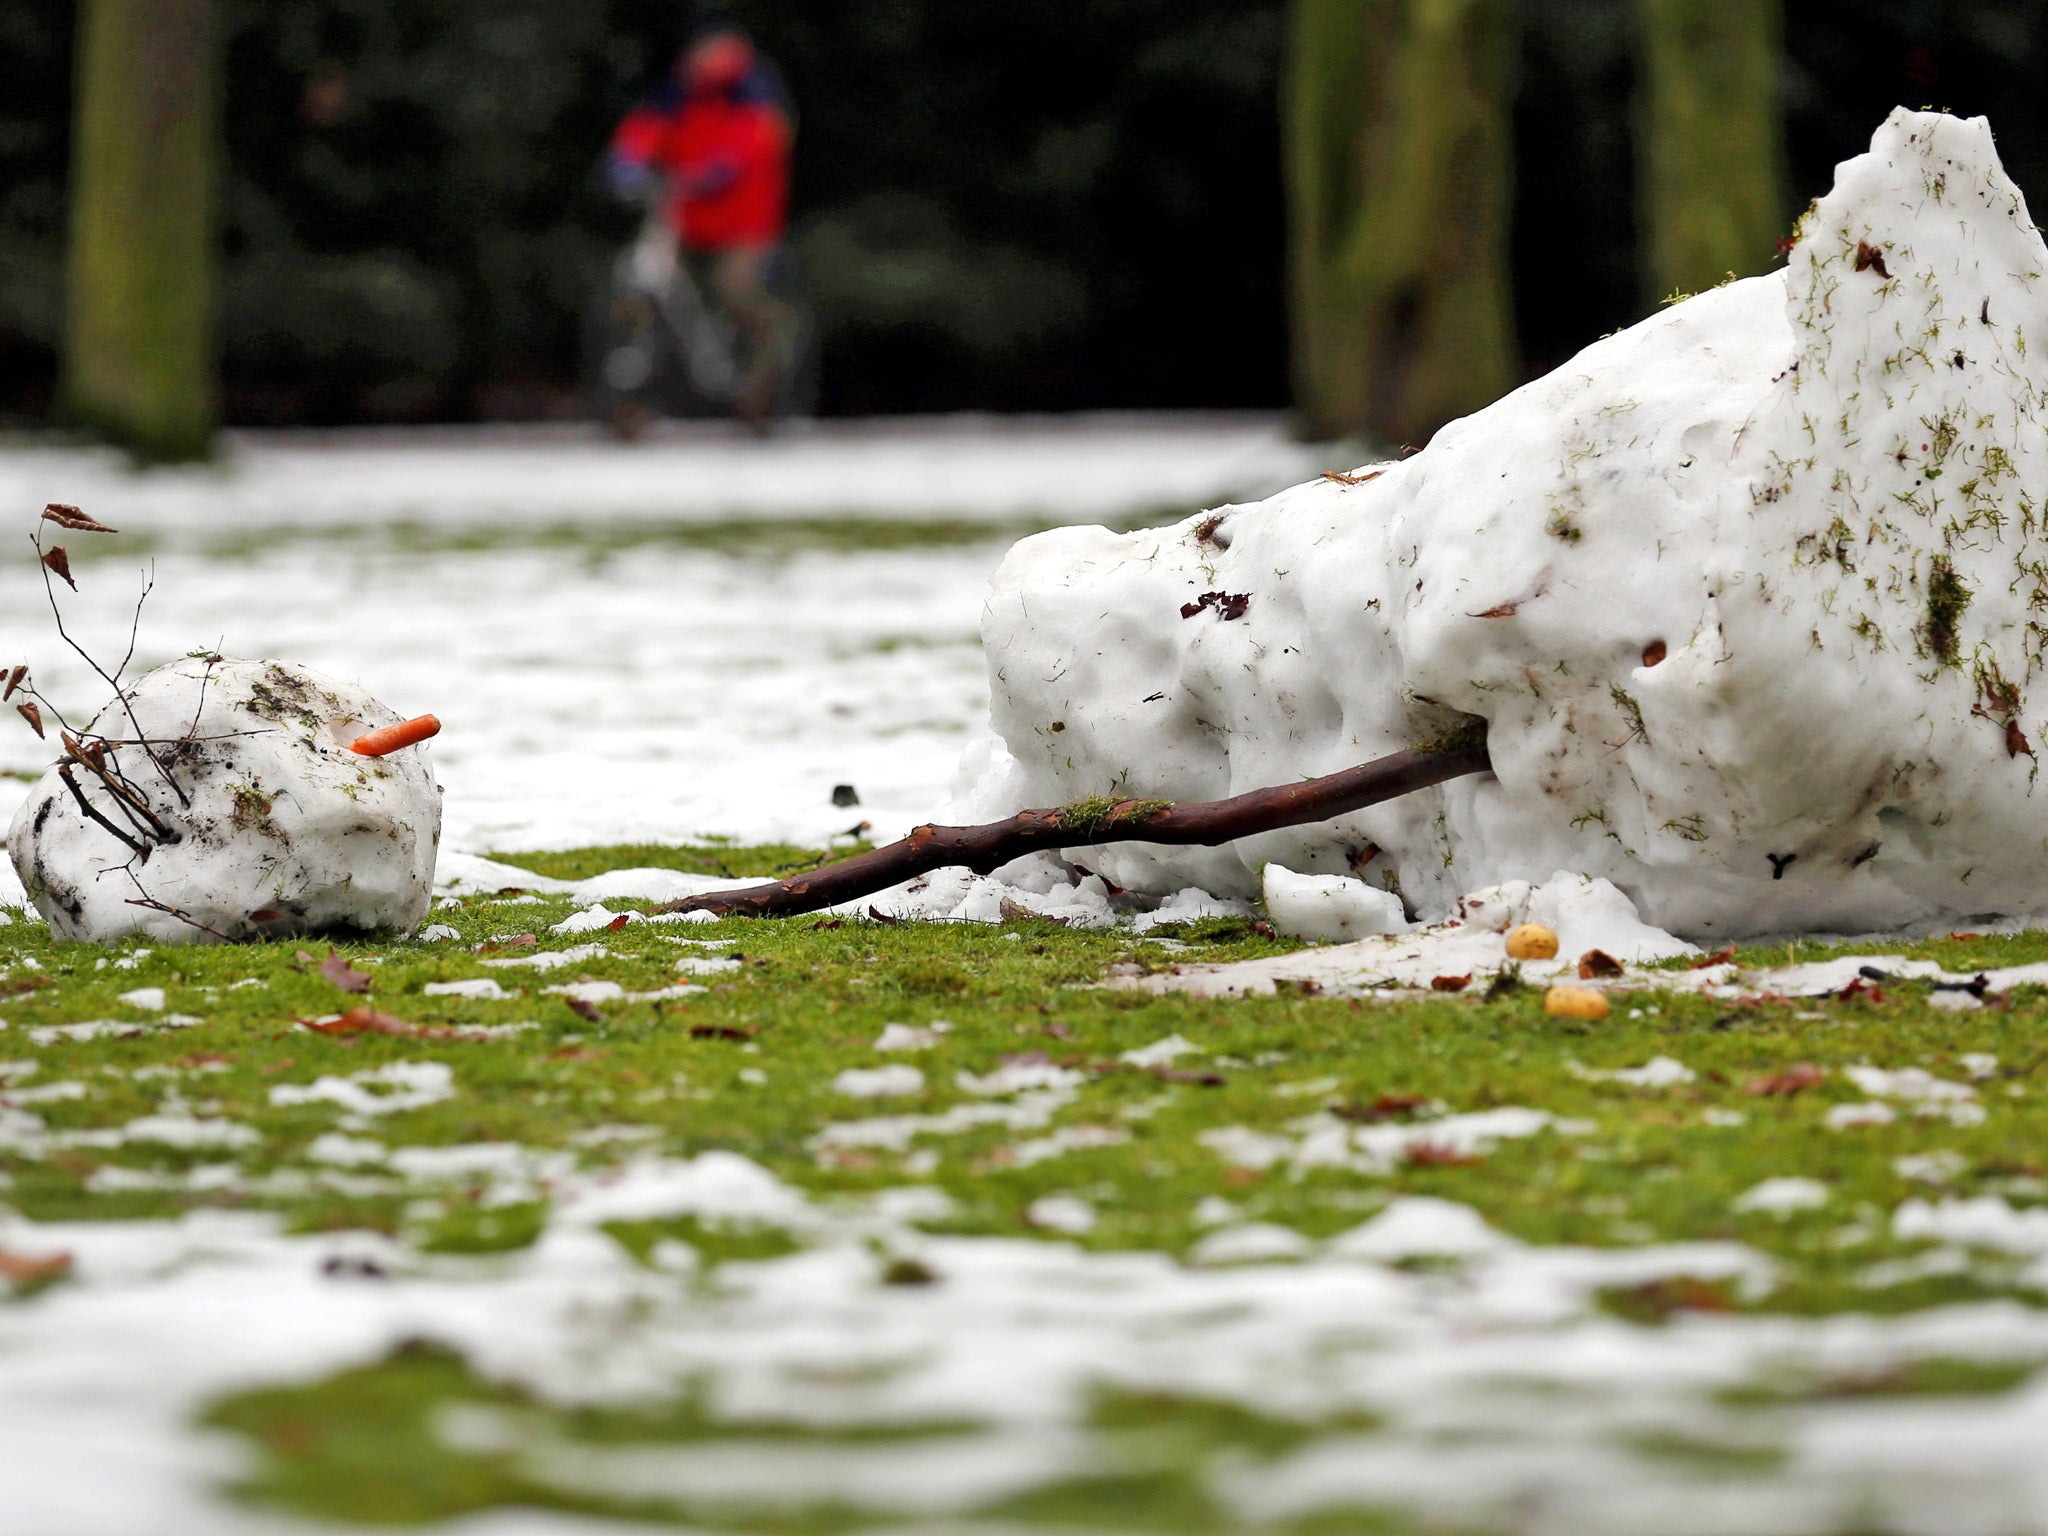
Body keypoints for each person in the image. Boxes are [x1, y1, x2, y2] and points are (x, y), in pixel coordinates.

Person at [606, 29, 795, 423]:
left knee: (738, 291)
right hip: (683, 220)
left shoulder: (755, 103)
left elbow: (755, 143)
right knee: (643, 286)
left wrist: (719, 170)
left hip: (744, 226)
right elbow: (644, 130)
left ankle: (760, 393)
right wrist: (626, 159)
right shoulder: (677, 98)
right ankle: (632, 396)